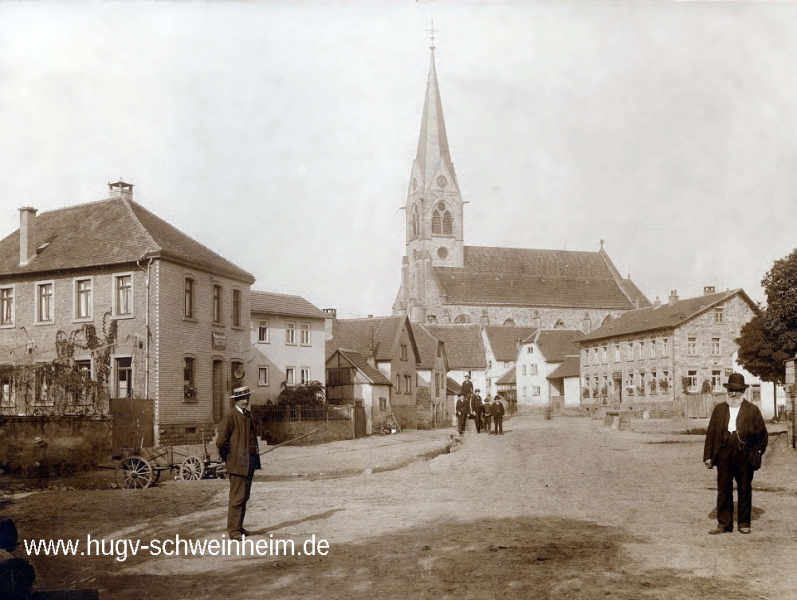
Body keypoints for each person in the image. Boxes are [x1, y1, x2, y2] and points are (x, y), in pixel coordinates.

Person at [703, 373, 768, 535]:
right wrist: (708, 456)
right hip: (724, 454)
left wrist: (757, 453)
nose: (733, 393)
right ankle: (724, 524)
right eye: (731, 390)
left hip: (744, 455)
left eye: (737, 390)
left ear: (743, 391)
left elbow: (762, 435)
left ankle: (744, 523)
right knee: (723, 489)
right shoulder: (719, 410)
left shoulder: (752, 410)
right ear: (727, 390)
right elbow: (711, 433)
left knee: (744, 488)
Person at [217, 386, 261, 541]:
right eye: (242, 398)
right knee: (236, 498)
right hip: (237, 464)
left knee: (244, 496)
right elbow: (221, 442)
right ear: (236, 400)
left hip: (249, 463)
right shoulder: (230, 417)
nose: (245, 401)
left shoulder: (247, 416)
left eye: (247, 398)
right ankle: (233, 531)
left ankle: (239, 527)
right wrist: (229, 458)